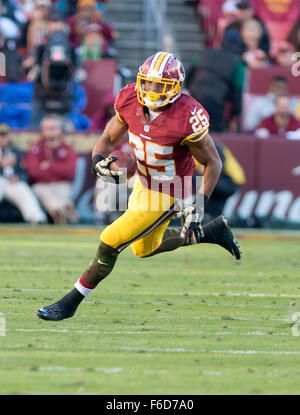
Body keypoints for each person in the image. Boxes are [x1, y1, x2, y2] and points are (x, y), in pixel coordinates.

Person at [36, 52, 241, 321]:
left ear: (175, 87)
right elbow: (108, 138)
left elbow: (213, 163)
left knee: (110, 240)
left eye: (160, 85)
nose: (152, 90)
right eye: (148, 83)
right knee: (142, 249)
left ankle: (70, 302)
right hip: (142, 180)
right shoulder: (130, 97)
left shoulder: (187, 115)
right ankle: (209, 234)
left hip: (170, 189)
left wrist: (198, 204)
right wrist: (98, 161)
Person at [26, 113, 79, 224]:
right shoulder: (36, 148)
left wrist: (49, 166)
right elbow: (34, 172)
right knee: (43, 192)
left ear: (60, 130)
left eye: (53, 128)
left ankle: (61, 212)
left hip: (62, 184)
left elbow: (69, 171)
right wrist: (57, 170)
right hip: (42, 185)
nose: (49, 131)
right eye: (46, 128)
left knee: (63, 191)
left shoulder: (67, 149)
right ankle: (63, 210)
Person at [0, 123, 47, 224]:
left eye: (4, 135)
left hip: (13, 182)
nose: (1, 138)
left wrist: (19, 177)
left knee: (23, 190)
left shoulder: (17, 153)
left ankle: (37, 219)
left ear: (9, 137)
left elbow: (26, 172)